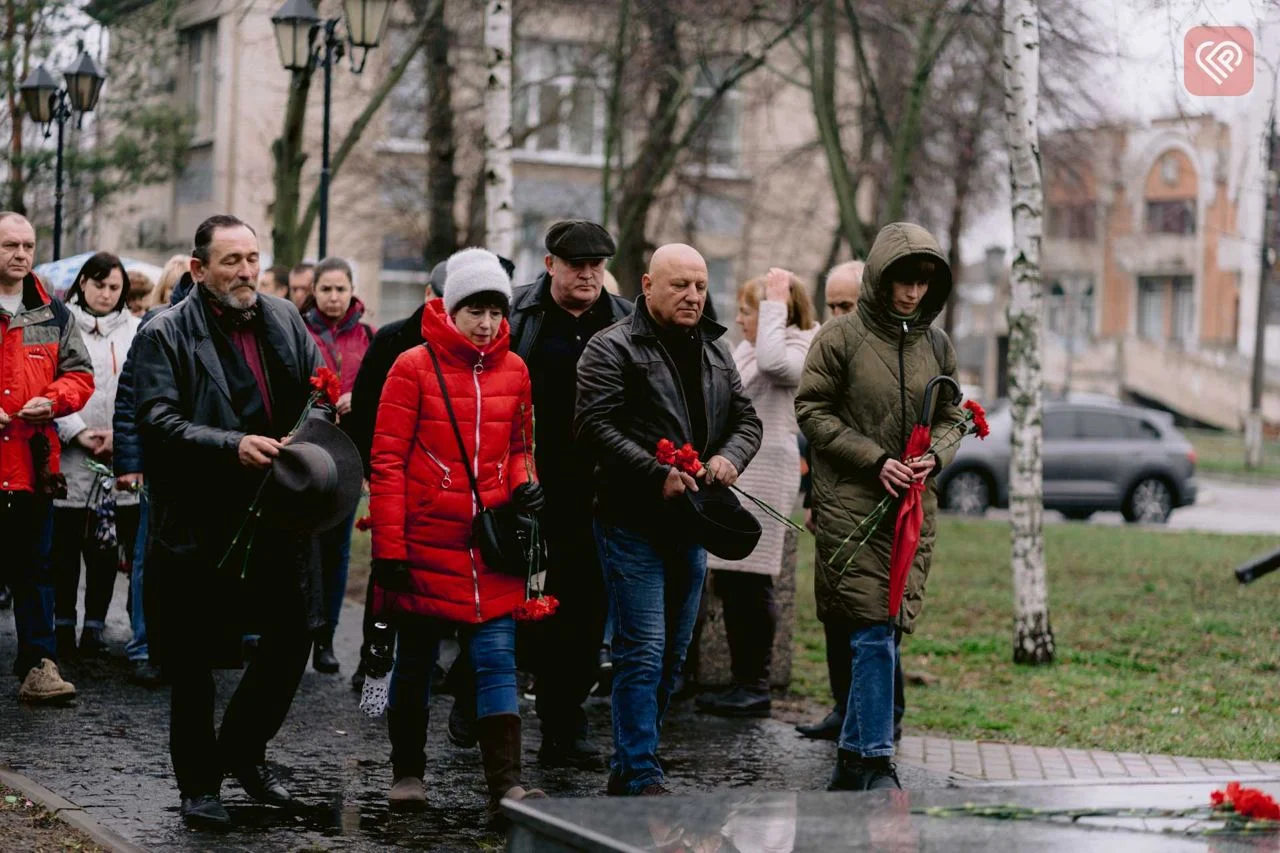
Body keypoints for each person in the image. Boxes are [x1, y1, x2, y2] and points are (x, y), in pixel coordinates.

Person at [132, 214, 329, 827]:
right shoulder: (163, 332)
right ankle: (198, 785)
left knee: (294, 633)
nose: (247, 272)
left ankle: (242, 751)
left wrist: (315, 425)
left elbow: (319, 391)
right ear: (198, 269)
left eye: (252, 258)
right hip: (199, 516)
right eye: (232, 261)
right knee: (192, 659)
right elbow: (157, 421)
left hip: (278, 510)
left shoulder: (285, 317)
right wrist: (231, 445)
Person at [575, 243, 762, 795]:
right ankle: (640, 768)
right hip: (630, 520)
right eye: (680, 285)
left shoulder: (715, 349)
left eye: (700, 286)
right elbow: (593, 426)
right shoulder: (612, 346)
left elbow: (747, 420)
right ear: (648, 285)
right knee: (643, 649)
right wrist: (654, 472)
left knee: (674, 654)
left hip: (694, 521)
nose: (693, 296)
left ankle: (632, 761)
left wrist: (730, 457)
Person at [369, 248, 546, 815]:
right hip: (425, 541)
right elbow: (387, 462)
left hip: (490, 545)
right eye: (476, 311)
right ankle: (407, 773)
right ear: (452, 309)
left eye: (496, 312)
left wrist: (524, 484)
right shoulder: (411, 366)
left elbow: (520, 448)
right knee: (417, 661)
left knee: (497, 660)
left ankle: (506, 787)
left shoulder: (516, 370)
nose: (488, 324)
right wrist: (389, 549)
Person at [795, 222, 960, 792]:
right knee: (871, 628)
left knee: (887, 630)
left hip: (912, 509)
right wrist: (875, 460)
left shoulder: (937, 345)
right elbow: (812, 410)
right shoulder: (838, 338)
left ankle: (852, 755)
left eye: (922, 283)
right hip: (851, 503)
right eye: (903, 281)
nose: (912, 293)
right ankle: (874, 758)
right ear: (879, 278)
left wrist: (935, 456)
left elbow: (953, 415)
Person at [509, 220, 632, 770]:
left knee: (585, 609)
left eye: (596, 266)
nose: (587, 275)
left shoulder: (625, 319)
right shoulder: (520, 315)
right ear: (549, 264)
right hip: (528, 483)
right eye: (575, 265)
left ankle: (565, 724)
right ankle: (476, 694)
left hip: (600, 487)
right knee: (515, 601)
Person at [696, 268, 817, 719]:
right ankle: (740, 681)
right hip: (740, 470)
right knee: (733, 579)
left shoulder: (799, 345)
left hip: (767, 471)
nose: (740, 319)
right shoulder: (748, 347)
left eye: (750, 310)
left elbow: (774, 364)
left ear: (776, 313)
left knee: (752, 580)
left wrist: (774, 302)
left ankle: (755, 685)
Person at [0, 212, 94, 703]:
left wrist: (53, 401)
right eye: (9, 245)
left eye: (27, 245)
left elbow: (80, 374)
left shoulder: (54, 313)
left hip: (33, 466)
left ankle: (39, 666)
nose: (21, 254)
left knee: (36, 569)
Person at [794, 258, 874, 741]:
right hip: (829, 496)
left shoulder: (880, 353)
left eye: (848, 305)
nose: (837, 315)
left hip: (871, 497)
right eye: (832, 306)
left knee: (873, 614)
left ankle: (881, 714)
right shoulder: (827, 347)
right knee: (834, 607)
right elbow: (814, 430)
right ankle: (843, 707)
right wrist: (812, 499)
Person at [51, 253, 142, 660]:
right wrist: (77, 431)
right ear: (83, 283)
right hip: (71, 455)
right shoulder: (60, 325)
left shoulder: (137, 330)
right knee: (65, 545)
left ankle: (95, 626)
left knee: (105, 545)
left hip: (117, 457)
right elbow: (50, 382)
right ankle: (62, 623)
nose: (106, 294)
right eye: (99, 284)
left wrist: (120, 438)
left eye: (114, 287)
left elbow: (141, 389)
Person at [113, 264, 196, 687]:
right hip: (163, 463)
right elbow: (130, 396)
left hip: (213, 462)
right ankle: (144, 644)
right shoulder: (158, 324)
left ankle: (190, 645)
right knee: (149, 554)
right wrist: (130, 462)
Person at [302, 256, 374, 673]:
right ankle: (291, 634)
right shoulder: (299, 330)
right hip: (306, 449)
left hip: (348, 454)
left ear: (352, 291)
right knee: (300, 546)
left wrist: (358, 399)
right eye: (326, 289)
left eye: (340, 289)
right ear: (314, 291)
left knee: (337, 550)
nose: (333, 297)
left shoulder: (368, 337)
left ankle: (325, 638)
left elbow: (381, 391)